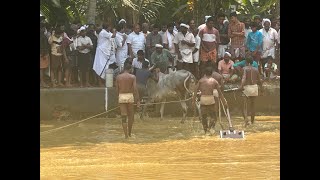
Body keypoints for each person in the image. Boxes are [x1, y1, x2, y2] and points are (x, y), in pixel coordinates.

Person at [192, 66, 227, 134]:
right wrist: (224, 101)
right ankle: (211, 128)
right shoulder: (214, 81)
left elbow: (195, 91)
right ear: (211, 74)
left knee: (204, 116)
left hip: (203, 99)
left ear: (205, 73)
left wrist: (193, 101)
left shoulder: (201, 81)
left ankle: (206, 131)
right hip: (211, 99)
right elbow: (220, 93)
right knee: (214, 116)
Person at [115, 63, 140, 138]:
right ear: (130, 69)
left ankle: (125, 136)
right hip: (129, 96)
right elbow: (135, 89)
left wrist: (118, 98)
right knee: (131, 116)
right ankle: (129, 134)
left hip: (121, 95)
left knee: (124, 116)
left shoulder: (118, 77)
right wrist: (138, 100)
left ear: (124, 69)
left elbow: (117, 89)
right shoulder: (132, 77)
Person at [238, 56, 262, 126]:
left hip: (247, 88)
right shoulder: (256, 69)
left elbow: (244, 78)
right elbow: (260, 81)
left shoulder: (245, 69)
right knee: (253, 106)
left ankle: (246, 121)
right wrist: (262, 89)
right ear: (252, 62)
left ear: (246, 62)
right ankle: (252, 122)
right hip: (254, 87)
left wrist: (241, 86)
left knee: (244, 106)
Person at [40, 23, 50, 88]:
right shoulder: (41, 35)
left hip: (44, 53)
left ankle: (42, 82)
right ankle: (42, 82)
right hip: (42, 54)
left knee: (42, 69)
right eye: (43, 28)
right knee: (41, 69)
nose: (44, 29)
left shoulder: (43, 35)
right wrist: (43, 54)